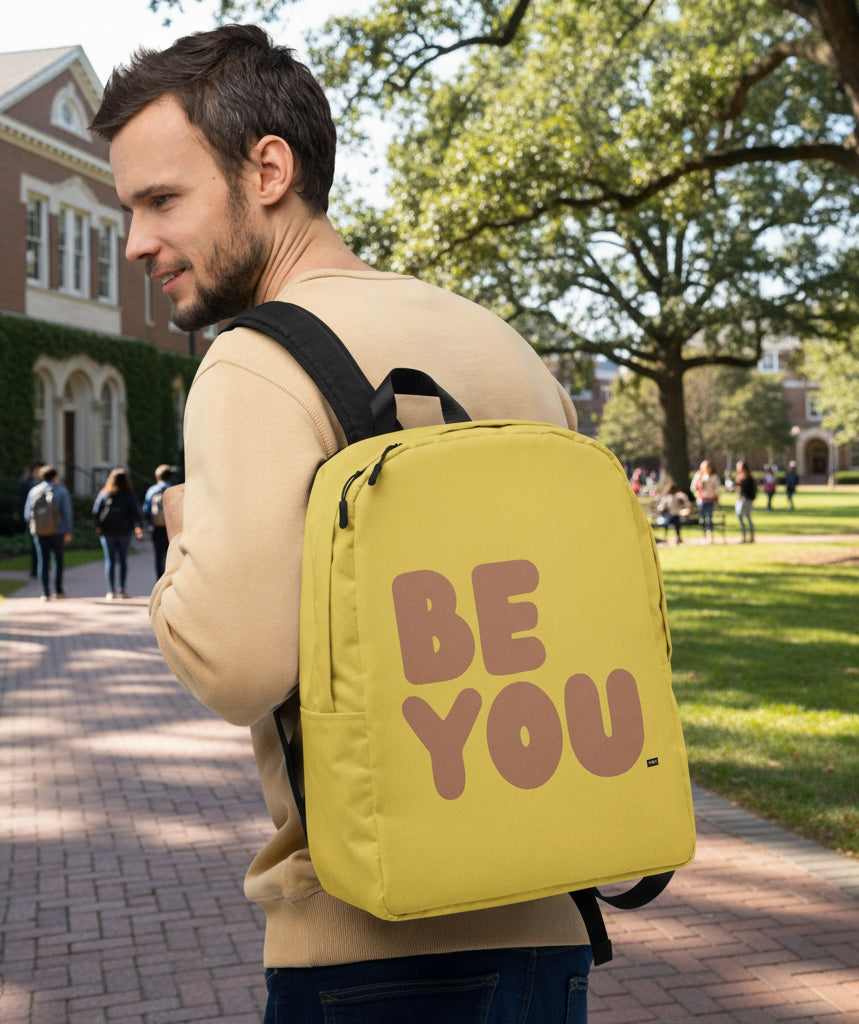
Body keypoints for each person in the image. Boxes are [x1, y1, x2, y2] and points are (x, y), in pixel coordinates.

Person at [92, 24, 591, 1020]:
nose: (138, 241)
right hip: (549, 922)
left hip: (368, 939)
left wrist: (181, 531)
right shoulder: (502, 345)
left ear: (266, 169)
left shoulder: (257, 361)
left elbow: (238, 666)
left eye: (161, 200)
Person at [92, 468, 145, 599]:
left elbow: (96, 511)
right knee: (122, 561)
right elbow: (136, 513)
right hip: (124, 531)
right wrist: (139, 527)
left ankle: (110, 590)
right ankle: (122, 589)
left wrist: (98, 526)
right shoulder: (129, 495)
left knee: (109, 561)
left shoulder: (104, 494)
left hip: (107, 532)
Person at [23, 465, 73, 600]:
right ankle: (58, 590)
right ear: (55, 476)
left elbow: (27, 514)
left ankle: (44, 592)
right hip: (58, 530)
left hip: (39, 531)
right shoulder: (61, 491)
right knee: (58, 559)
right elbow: (67, 513)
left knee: (42, 560)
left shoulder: (34, 491)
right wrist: (69, 530)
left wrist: (33, 526)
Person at [143, 464, 175, 580]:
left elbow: (146, 509)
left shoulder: (152, 490)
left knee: (158, 555)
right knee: (170, 555)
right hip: (170, 528)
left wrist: (149, 523)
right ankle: (169, 579)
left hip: (156, 527)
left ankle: (159, 580)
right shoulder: (172, 490)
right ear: (170, 477)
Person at [14, 460, 45, 577]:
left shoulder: (48, 486)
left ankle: (42, 569)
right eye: (36, 471)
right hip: (34, 521)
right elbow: (21, 503)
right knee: (35, 546)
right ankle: (36, 569)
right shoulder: (27, 485)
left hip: (47, 521)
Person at [690, 459, 720, 543]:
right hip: (702, 499)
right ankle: (704, 535)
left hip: (710, 499)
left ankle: (711, 535)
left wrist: (715, 495)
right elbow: (693, 487)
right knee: (702, 518)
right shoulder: (699, 475)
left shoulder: (714, 477)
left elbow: (717, 488)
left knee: (710, 518)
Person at [653, 480, 690, 545]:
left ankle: (678, 537)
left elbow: (685, 500)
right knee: (667, 524)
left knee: (677, 524)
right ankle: (666, 537)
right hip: (670, 515)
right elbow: (662, 505)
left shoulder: (678, 496)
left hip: (676, 515)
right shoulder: (668, 497)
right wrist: (660, 508)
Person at [734, 460, 757, 543]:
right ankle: (743, 536)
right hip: (740, 500)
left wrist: (747, 496)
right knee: (739, 515)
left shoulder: (749, 479)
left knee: (748, 517)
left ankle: (751, 536)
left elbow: (752, 491)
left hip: (747, 500)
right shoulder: (739, 478)